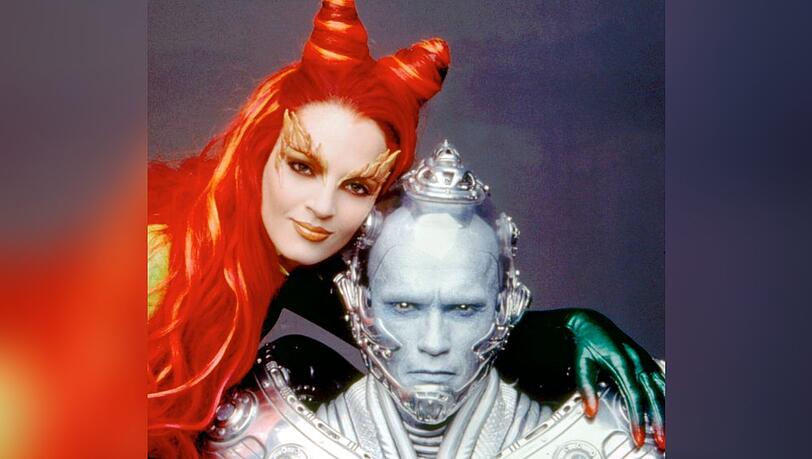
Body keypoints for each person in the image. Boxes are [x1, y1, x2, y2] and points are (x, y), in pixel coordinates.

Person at [149, 1, 663, 456]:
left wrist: (569, 328)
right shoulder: (161, 260)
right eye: (302, 167)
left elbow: (419, 327)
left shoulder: (283, 261)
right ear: (257, 151)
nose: (322, 207)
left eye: (356, 186)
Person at [198, 143, 664, 458]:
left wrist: (563, 330)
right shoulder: (248, 427)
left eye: (464, 309)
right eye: (405, 307)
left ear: (507, 307)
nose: (434, 343)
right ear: (357, 300)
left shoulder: (622, 435)